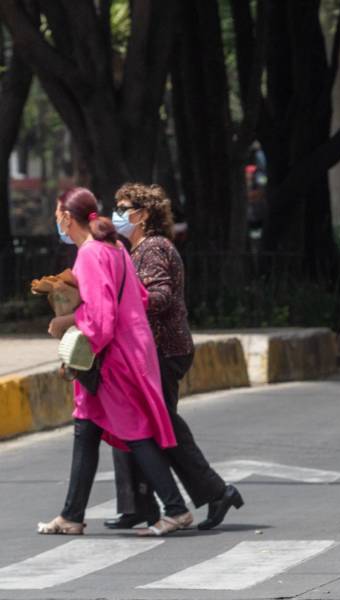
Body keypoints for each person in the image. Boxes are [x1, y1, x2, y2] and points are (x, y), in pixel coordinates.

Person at [39, 187, 192, 537]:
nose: (56, 221)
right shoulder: (115, 248)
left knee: (135, 432)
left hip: (111, 360)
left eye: (56, 214)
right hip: (126, 351)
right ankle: (71, 515)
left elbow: (101, 320)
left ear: (66, 217)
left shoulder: (90, 255)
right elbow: (135, 296)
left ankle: (175, 509)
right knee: (85, 428)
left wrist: (66, 325)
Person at [105, 183, 243, 531]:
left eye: (124, 208)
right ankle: (137, 505)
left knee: (162, 427)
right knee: (130, 423)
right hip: (144, 352)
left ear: (144, 214)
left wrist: (125, 301)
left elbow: (161, 295)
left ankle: (216, 491)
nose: (117, 215)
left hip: (164, 350)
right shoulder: (134, 250)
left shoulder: (153, 248)